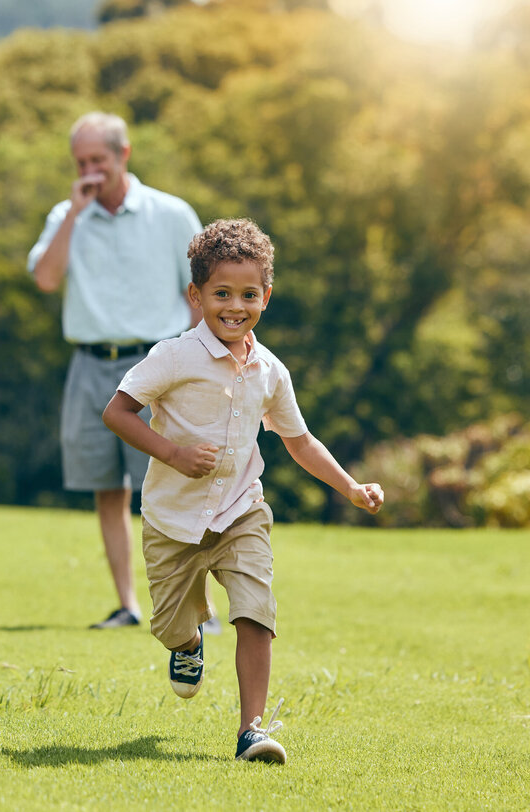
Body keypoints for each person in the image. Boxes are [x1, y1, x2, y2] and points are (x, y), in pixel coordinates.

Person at [102, 218, 384, 763]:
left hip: (241, 511)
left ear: (266, 297)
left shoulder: (270, 371)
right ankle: (188, 644)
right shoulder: (173, 356)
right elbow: (118, 412)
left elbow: (299, 442)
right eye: (222, 294)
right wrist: (174, 454)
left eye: (249, 294)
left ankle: (251, 729)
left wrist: (350, 487)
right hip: (172, 519)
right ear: (196, 295)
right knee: (170, 625)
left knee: (255, 609)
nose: (236, 305)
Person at [28, 111, 202, 629]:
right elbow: (45, 277)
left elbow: (200, 290)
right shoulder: (67, 215)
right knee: (107, 488)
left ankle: (194, 605)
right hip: (90, 364)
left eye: (98, 160)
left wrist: (188, 358)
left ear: (123, 155)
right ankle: (127, 605)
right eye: (81, 162)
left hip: (156, 363)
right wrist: (72, 216)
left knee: (170, 483)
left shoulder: (170, 213)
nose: (89, 171)